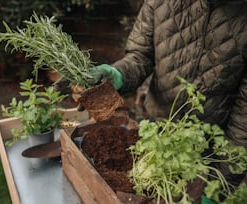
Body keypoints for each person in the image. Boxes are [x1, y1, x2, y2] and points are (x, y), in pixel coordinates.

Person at [89, 0, 247, 200]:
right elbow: (141, 55)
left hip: (207, 152)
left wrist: (218, 188)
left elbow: (244, 121)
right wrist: (118, 74)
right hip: (157, 134)